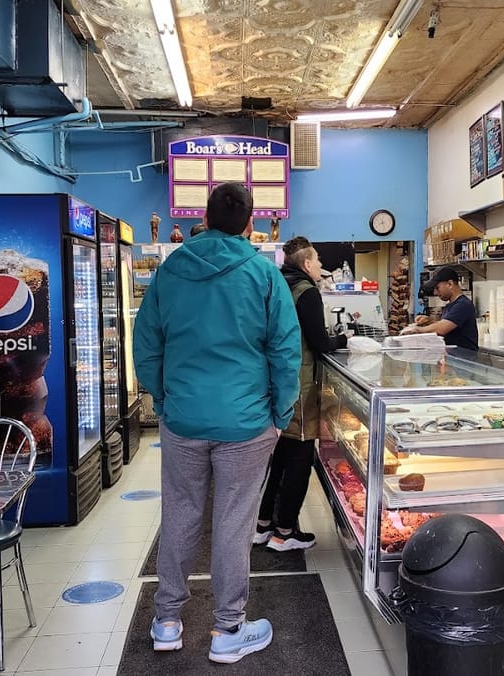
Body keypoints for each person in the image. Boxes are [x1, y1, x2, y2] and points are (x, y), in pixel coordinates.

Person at [134, 182, 301, 664]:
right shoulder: (263, 275)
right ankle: (228, 629)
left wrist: (163, 399)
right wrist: (279, 414)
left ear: (203, 219)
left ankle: (167, 620)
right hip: (247, 422)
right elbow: (284, 353)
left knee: (180, 514)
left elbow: (147, 343)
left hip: (184, 417)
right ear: (251, 224)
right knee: (233, 523)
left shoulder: (169, 272)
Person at [256, 237, 348, 551]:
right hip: (300, 386)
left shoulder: (277, 285)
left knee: (280, 455)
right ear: (307, 264)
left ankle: (263, 523)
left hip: (276, 382)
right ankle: (284, 532)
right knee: (300, 456)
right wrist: (345, 339)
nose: (321, 266)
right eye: (318, 261)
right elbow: (320, 343)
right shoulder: (307, 292)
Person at [400, 266, 479, 351]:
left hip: (465, 359)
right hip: (454, 357)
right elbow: (449, 326)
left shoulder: (463, 305)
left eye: (437, 288)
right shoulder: (450, 305)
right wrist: (430, 321)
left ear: (450, 284)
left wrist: (416, 330)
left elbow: (442, 329)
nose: (435, 292)